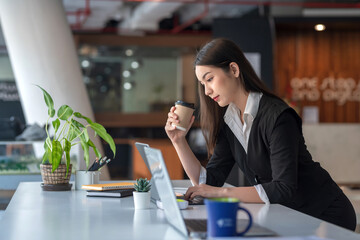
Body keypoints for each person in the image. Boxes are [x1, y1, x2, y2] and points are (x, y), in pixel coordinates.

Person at [165, 38, 356, 231]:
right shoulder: (230, 119)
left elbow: (284, 188)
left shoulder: (278, 116)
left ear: (234, 69)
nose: (206, 91)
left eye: (209, 79)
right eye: (202, 83)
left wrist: (221, 192)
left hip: (325, 215)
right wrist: (178, 141)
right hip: (290, 214)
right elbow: (207, 183)